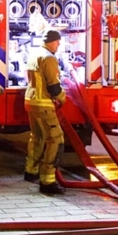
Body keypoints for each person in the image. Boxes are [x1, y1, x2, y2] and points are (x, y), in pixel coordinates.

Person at [23, 30, 67, 195]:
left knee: (37, 137)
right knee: (56, 139)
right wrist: (63, 98)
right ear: (52, 41)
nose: (59, 44)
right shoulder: (49, 58)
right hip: (43, 104)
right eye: (58, 42)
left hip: (31, 101)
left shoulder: (35, 54)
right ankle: (47, 181)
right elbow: (54, 87)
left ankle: (30, 170)